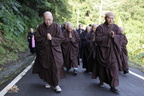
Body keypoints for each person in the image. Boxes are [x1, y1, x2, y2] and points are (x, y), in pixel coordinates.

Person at [32, 11, 65, 92]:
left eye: (49, 19)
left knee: (55, 67)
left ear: (52, 18)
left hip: (55, 51)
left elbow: (61, 38)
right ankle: (48, 81)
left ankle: (56, 84)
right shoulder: (40, 27)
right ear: (43, 19)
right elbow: (37, 39)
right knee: (46, 66)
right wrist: (46, 39)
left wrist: (52, 39)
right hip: (44, 51)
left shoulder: (56, 26)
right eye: (46, 20)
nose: (48, 22)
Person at [92, 12, 123, 94]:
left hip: (112, 52)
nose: (110, 20)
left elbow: (121, 37)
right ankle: (101, 80)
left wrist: (114, 36)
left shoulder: (116, 27)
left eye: (112, 18)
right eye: (109, 18)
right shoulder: (100, 27)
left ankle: (113, 86)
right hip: (102, 51)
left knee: (114, 68)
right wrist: (108, 36)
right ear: (105, 18)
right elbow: (97, 39)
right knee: (102, 68)